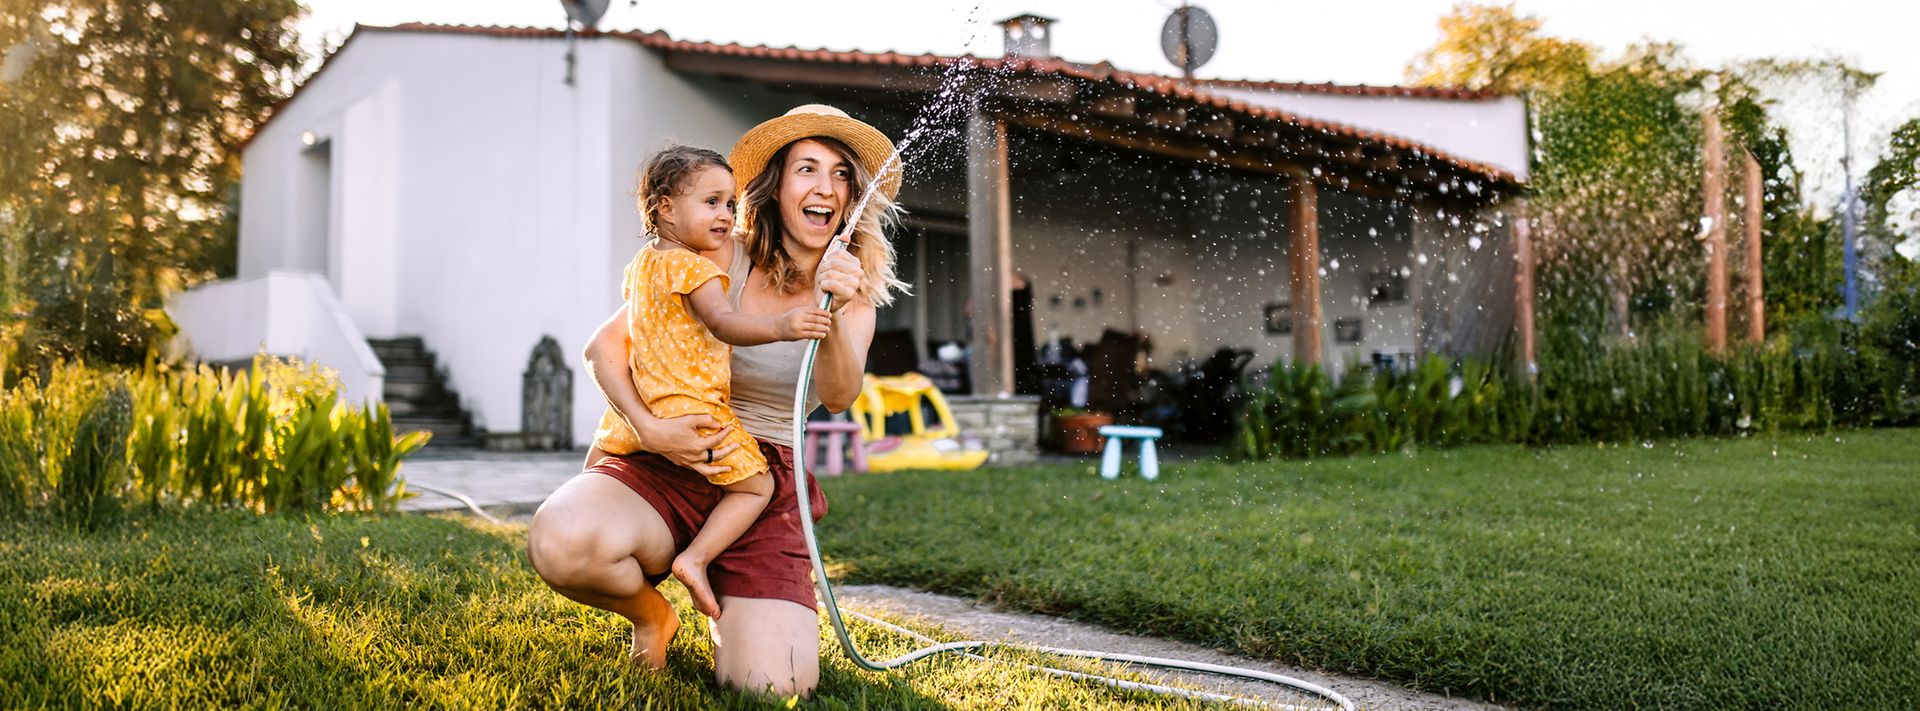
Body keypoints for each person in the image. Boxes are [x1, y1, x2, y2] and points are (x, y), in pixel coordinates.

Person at [526, 104, 906, 697]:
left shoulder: (853, 294)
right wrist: (648, 428)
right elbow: (606, 348)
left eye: (840, 175)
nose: (824, 187)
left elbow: (836, 395)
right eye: (807, 168)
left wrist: (831, 307)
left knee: (771, 688)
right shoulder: (719, 253)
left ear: (853, 197)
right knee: (564, 541)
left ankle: (723, 589)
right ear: (777, 186)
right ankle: (653, 615)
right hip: (673, 450)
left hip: (764, 480)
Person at [588, 144, 833, 620]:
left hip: (647, 403)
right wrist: (782, 326)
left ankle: (609, 543)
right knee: (756, 487)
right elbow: (724, 324)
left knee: (597, 475)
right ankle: (695, 559)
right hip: (693, 410)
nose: (726, 215)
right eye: (712, 202)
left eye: (730, 203)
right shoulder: (698, 267)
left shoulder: (642, 265)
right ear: (664, 208)